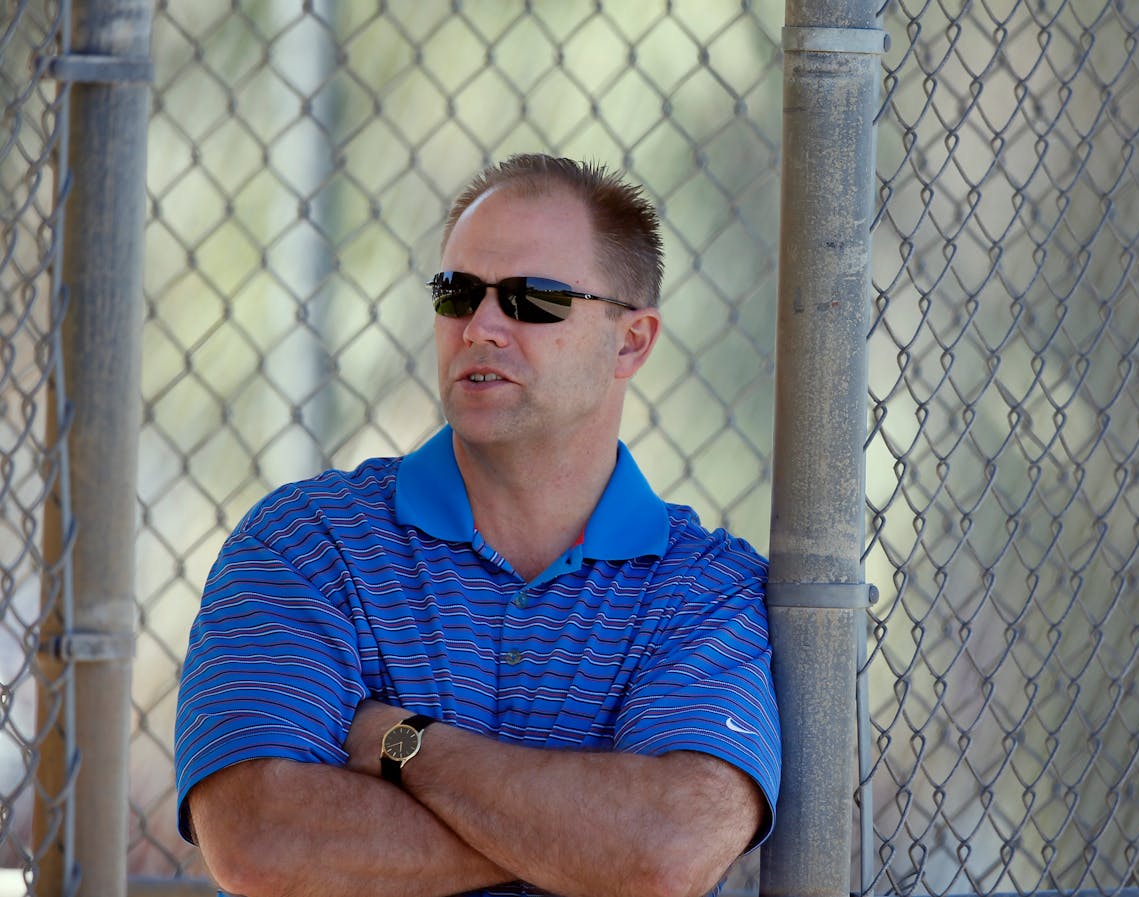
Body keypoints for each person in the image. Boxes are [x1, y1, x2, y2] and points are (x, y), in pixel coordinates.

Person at [174, 154, 781, 897]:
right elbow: (260, 840)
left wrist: (404, 744)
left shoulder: (708, 589)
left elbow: (665, 850)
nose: (481, 326)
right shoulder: (305, 545)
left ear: (631, 342)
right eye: (457, 292)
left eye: (532, 299)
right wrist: (587, 840)